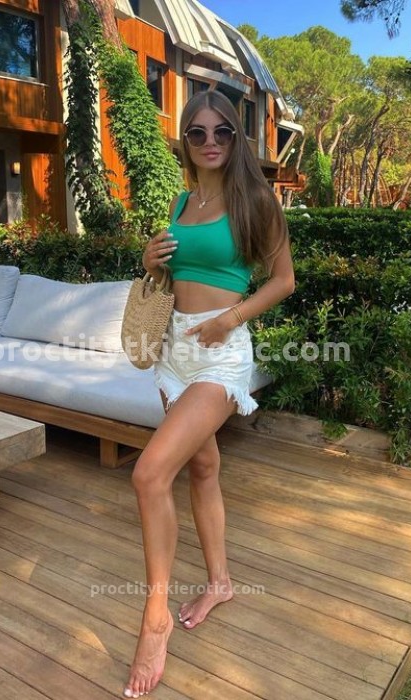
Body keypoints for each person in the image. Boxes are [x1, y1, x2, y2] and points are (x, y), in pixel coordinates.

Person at [123, 89, 295, 698]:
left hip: (221, 354)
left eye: (222, 131)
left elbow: (283, 280)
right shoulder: (181, 200)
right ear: (185, 141)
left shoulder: (255, 199)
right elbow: (171, 276)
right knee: (201, 466)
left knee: (149, 475)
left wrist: (231, 318)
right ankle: (220, 581)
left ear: (236, 137)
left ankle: (155, 618)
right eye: (197, 132)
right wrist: (150, 260)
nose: (210, 141)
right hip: (173, 351)